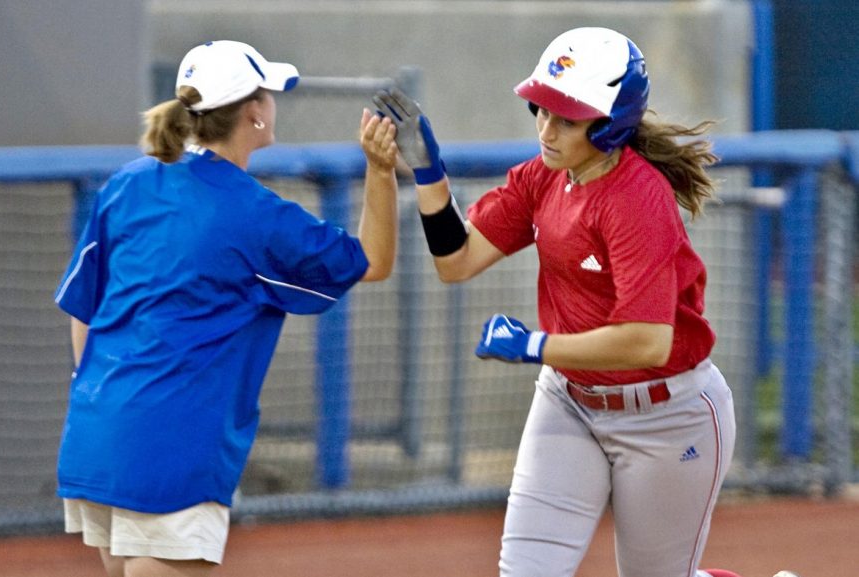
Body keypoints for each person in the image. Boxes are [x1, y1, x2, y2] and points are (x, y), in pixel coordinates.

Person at [373, 26, 778, 577]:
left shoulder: (637, 198)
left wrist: (537, 344)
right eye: (542, 110)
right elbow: (457, 261)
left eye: (567, 117)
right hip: (569, 400)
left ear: (610, 125)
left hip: (669, 416)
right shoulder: (544, 176)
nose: (546, 127)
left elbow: (648, 340)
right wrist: (428, 173)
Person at [53, 40, 399, 577]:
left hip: (96, 429)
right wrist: (380, 170)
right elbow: (372, 261)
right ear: (254, 113)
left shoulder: (127, 184)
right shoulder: (257, 215)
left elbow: (84, 310)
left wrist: (98, 388)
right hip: (175, 447)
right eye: (268, 95)